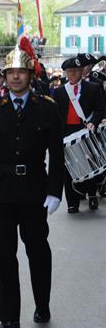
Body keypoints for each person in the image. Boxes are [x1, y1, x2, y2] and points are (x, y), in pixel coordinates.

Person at [0, 38, 64, 328]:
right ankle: (9, 316)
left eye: (21, 72)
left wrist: (55, 191)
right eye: (10, 71)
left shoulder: (46, 108)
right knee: (3, 255)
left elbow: (56, 152)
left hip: (35, 191)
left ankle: (42, 304)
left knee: (37, 251)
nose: (15, 76)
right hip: (0, 191)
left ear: (30, 75)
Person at [52, 56, 105, 213]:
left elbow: (100, 108)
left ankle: (92, 194)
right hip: (66, 132)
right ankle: (72, 202)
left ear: (82, 71)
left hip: (86, 130)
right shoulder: (60, 92)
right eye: (69, 72)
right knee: (69, 168)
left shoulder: (93, 88)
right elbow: (54, 114)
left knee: (89, 163)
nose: (72, 75)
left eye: (75, 71)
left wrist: (94, 123)